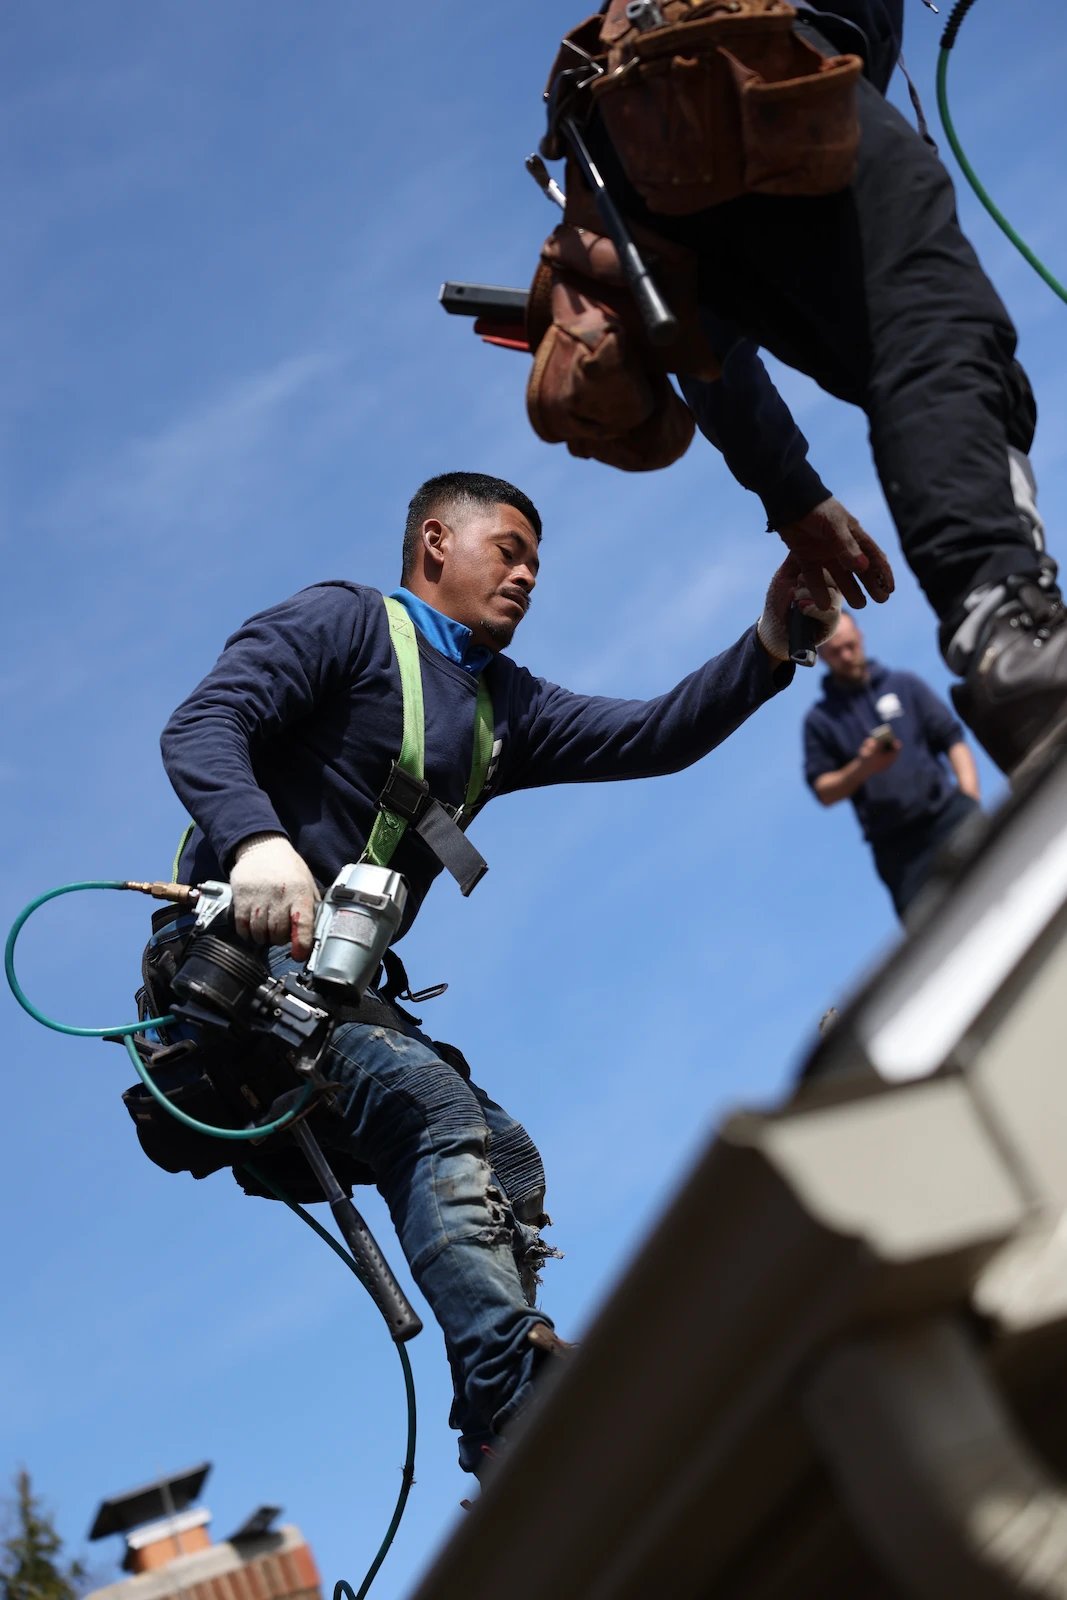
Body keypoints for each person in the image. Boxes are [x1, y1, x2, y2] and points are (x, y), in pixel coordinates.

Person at [155, 470, 830, 1476]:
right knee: (432, 1108)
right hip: (232, 972)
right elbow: (201, 723)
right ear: (435, 542)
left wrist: (771, 641)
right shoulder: (345, 623)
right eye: (507, 550)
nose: (525, 575)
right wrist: (255, 843)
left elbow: (651, 733)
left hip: (340, 1001)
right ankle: (512, 1392)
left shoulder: (500, 703)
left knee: (505, 1160)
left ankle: (501, 1438)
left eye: (534, 564)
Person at [564, 0, 1064, 777]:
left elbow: (707, 351)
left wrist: (788, 488)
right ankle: (1007, 635)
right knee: (935, 320)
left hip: (631, 121)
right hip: (744, 63)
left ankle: (1015, 631)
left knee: (961, 371)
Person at [803, 611, 981, 919]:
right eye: (836, 652)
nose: (846, 656)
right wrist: (864, 765)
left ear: (860, 637)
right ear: (821, 657)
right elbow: (824, 791)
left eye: (850, 645)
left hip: (949, 816)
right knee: (933, 939)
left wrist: (970, 797)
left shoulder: (904, 684)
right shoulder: (820, 721)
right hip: (900, 853)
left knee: (1002, 890)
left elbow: (951, 738)